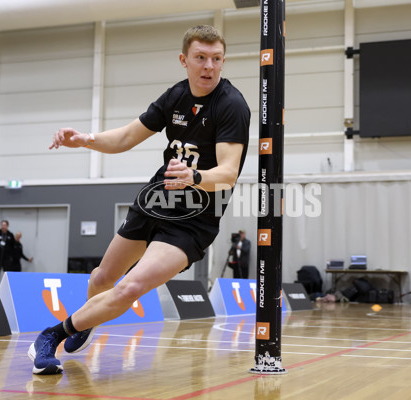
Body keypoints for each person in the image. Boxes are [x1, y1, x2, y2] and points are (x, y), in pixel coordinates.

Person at [28, 25, 250, 375]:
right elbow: (127, 137)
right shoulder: (175, 96)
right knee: (102, 278)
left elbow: (228, 173)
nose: (209, 66)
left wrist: (193, 177)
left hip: (196, 218)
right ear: (184, 60)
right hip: (157, 199)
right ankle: (85, 320)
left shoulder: (231, 105)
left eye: (217, 59)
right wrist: (85, 139)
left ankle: (51, 335)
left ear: (223, 61)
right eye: (201, 58)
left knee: (131, 286)